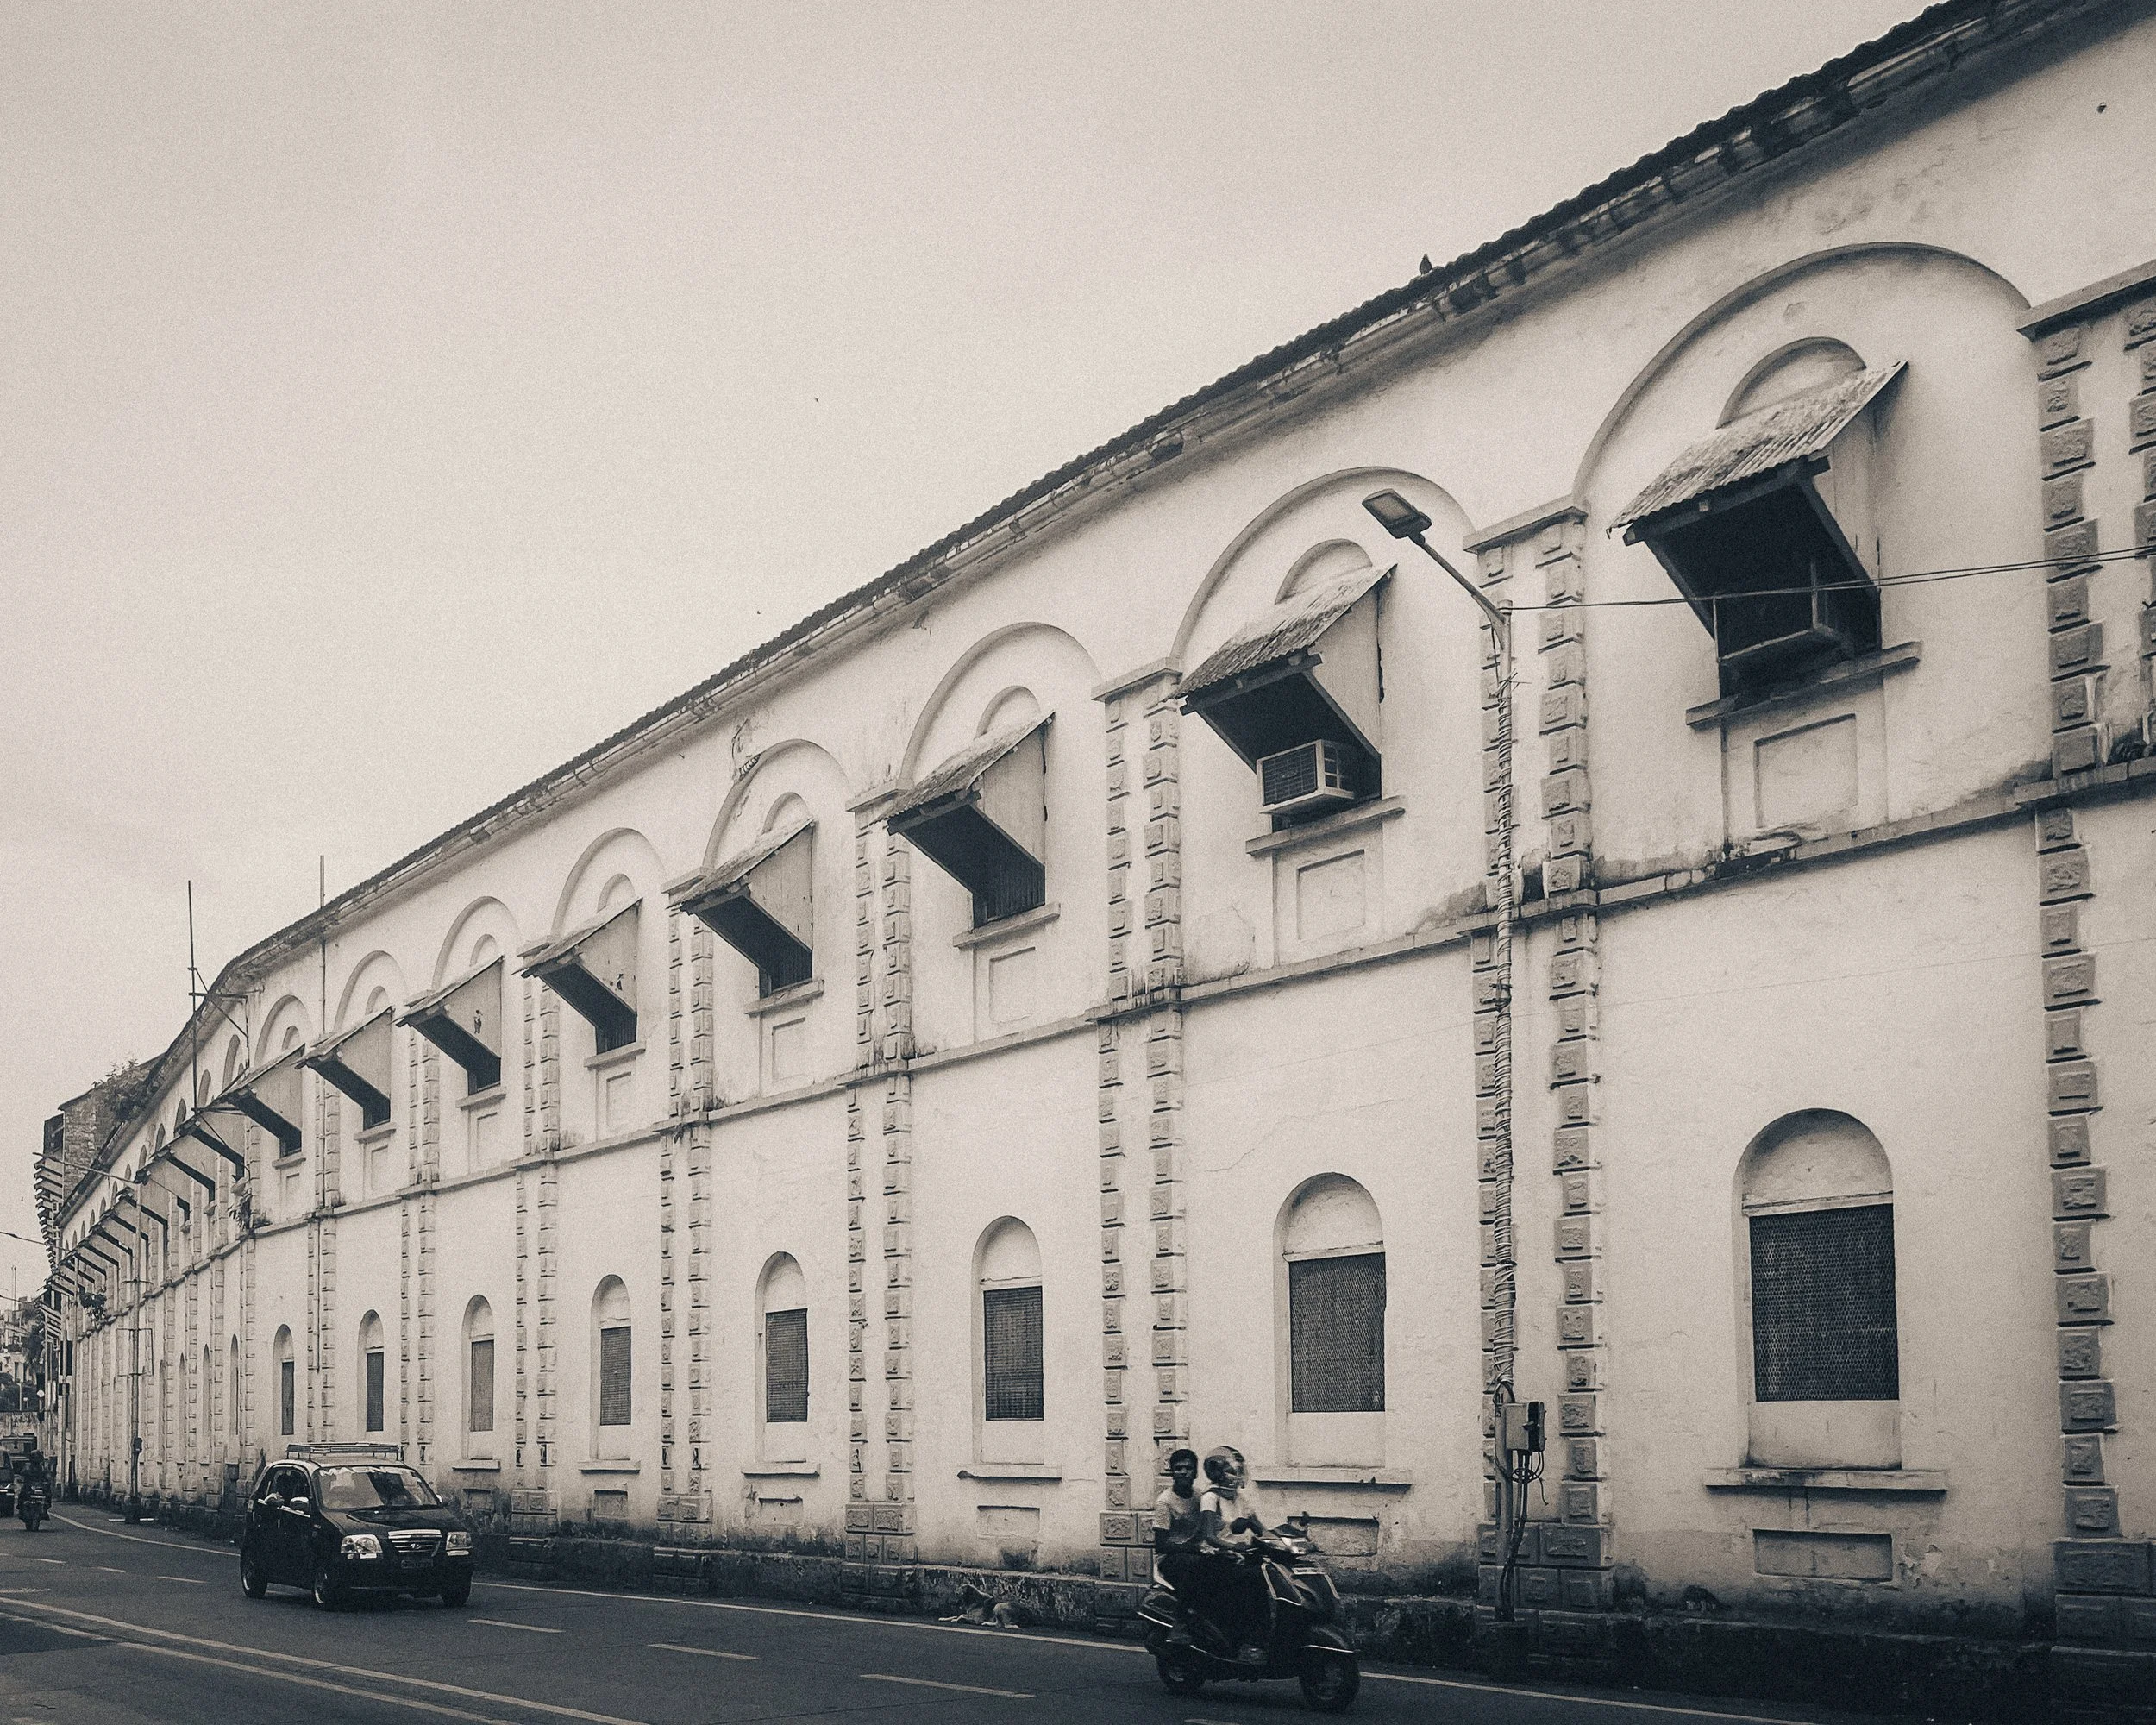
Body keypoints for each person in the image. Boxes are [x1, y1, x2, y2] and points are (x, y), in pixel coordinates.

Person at [1195, 1446, 1276, 1664]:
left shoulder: (1242, 1499)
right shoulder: (1210, 1498)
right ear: (1217, 1472)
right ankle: (1247, 1642)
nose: (1237, 1475)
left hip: (1243, 1556)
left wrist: (1288, 1539)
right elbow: (1209, 1535)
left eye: (1239, 1470)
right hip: (1217, 1557)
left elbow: (1262, 1529)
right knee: (1252, 1581)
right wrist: (1232, 1548)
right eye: (1232, 1470)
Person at [1150, 1448, 1204, 1638]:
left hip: (1198, 1552)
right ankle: (1181, 1623)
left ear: (1196, 1472)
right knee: (1193, 1566)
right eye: (1178, 1468)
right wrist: (1194, 1548)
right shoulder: (1165, 1502)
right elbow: (1161, 1544)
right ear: (1172, 1472)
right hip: (1171, 1557)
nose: (1183, 1472)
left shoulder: (1200, 1497)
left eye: (1188, 1468)